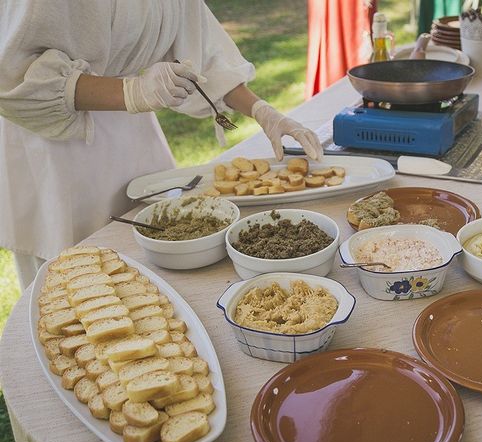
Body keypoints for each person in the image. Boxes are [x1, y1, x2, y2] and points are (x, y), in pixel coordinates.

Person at [0, 0, 323, 289]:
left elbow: (201, 50)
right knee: (73, 284)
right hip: (56, 147)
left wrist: (262, 111)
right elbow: (12, 72)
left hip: (133, 135)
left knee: (149, 268)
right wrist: (131, 92)